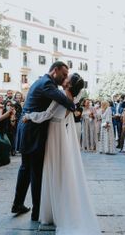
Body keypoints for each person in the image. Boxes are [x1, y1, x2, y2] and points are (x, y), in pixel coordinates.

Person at [23, 73, 100, 235]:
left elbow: (47, 115)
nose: (64, 79)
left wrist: (29, 116)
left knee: (52, 169)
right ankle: (57, 208)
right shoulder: (72, 98)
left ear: (70, 85)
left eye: (67, 78)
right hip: (60, 134)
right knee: (58, 170)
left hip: (53, 133)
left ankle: (52, 210)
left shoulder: (62, 95)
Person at [11, 61, 75, 221]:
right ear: (55, 70)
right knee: (35, 172)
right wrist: (69, 90)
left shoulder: (43, 81)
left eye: (67, 76)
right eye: (64, 74)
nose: (65, 78)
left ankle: (18, 204)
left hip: (28, 128)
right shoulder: (47, 83)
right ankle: (37, 212)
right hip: (32, 131)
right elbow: (67, 102)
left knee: (26, 169)